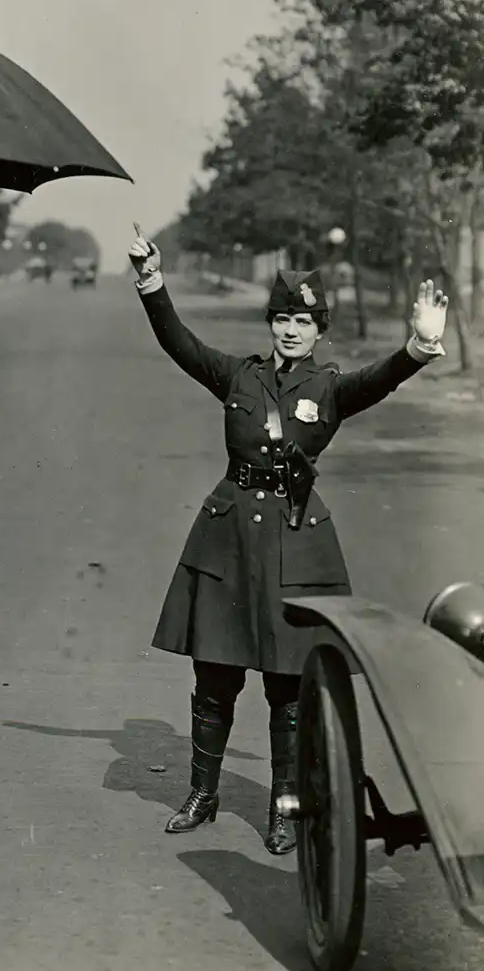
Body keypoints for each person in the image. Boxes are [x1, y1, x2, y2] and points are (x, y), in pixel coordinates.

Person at [127, 230, 448, 855]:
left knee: (287, 686)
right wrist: (152, 282)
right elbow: (179, 343)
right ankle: (202, 794)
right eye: (281, 319)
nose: (291, 330)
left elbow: (379, 379)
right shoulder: (237, 376)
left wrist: (417, 347)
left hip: (295, 544)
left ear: (319, 330)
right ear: (270, 324)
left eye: (303, 321)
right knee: (213, 675)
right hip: (227, 541)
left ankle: (285, 807)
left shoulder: (330, 388)